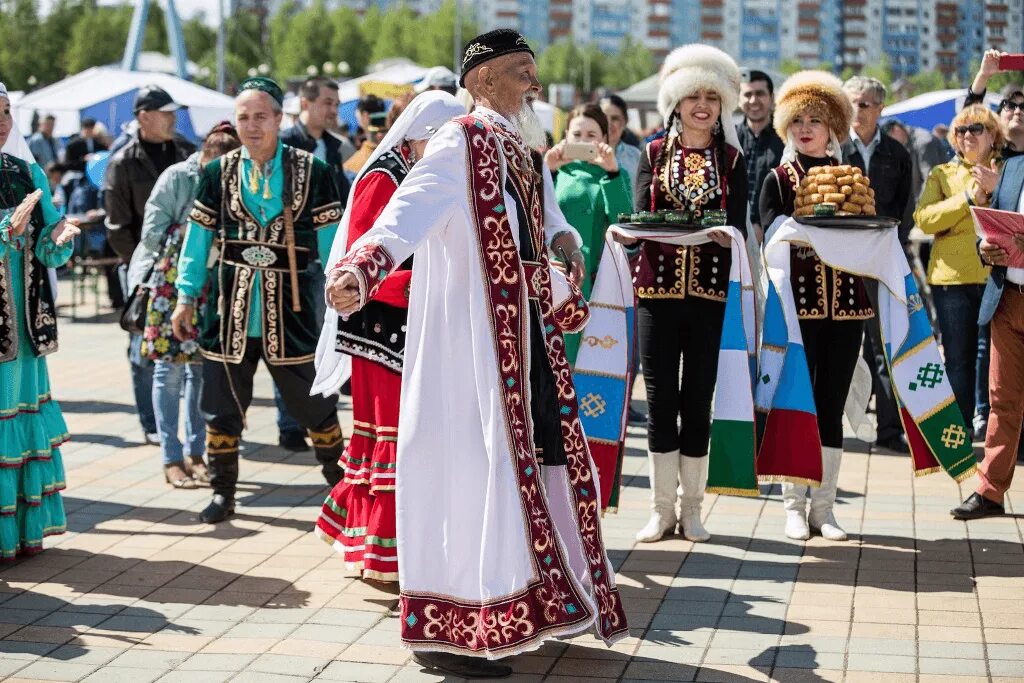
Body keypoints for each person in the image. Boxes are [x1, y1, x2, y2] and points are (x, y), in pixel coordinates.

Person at [324, 29, 627, 678]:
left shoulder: (518, 145)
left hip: (524, 344)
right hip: (471, 351)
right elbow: (405, 214)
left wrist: (567, 240)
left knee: (529, 469)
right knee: (464, 477)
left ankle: (515, 605)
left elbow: (544, 214)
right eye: (522, 72)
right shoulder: (459, 142)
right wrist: (362, 269)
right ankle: (450, 629)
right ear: (483, 80)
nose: (535, 85)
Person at [169, 77, 346, 524]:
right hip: (230, 311)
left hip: (294, 312)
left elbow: (332, 244)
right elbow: (197, 239)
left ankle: (344, 493)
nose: (251, 126)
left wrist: (343, 294)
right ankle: (223, 494)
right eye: (243, 117)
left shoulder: (314, 171)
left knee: (316, 406)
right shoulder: (216, 172)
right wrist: (185, 296)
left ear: (279, 119)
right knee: (222, 407)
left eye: (260, 116)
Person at [313, 91, 466, 583]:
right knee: (391, 437)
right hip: (380, 327)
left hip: (412, 322)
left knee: (408, 437)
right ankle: (383, 552)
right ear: (420, 138)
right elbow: (364, 257)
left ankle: (395, 548)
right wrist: (433, 283)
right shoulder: (385, 177)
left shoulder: (425, 173)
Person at [622, 44, 747, 545]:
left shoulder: (733, 159)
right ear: (675, 100)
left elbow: (737, 224)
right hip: (656, 289)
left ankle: (692, 510)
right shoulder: (652, 153)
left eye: (711, 98)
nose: (702, 106)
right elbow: (639, 214)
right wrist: (633, 232)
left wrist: (726, 235)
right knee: (659, 399)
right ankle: (660, 510)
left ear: (722, 106)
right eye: (693, 96)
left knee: (697, 399)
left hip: (710, 292)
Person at [759, 71, 867, 542]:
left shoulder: (853, 180)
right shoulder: (778, 179)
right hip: (796, 310)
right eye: (798, 119)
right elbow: (769, 237)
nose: (806, 127)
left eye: (816, 120)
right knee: (794, 404)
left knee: (830, 405)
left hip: (844, 307)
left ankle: (825, 508)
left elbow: (873, 237)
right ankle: (793, 507)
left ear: (834, 129)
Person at [133, 122, 242, 489]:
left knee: (202, 371)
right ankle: (171, 457)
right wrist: (193, 232)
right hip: (169, 285)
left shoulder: (242, 178)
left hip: (213, 285)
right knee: (168, 371)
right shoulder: (177, 178)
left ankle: (198, 452)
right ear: (203, 160)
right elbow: (149, 233)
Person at [0, 84, 81, 560]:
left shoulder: (25, 171)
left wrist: (61, 235)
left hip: (23, 327)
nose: (2, 122)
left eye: (7, 112)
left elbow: (47, 241)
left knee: (16, 418)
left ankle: (20, 533)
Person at [104, 85, 195, 446]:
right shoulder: (123, 162)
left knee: (188, 347)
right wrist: (146, 268)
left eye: (174, 112)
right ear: (143, 116)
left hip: (188, 268)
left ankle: (187, 431)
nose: (173, 118)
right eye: (165, 112)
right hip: (144, 270)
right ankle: (152, 424)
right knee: (143, 349)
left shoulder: (187, 152)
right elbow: (116, 226)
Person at [915, 106, 1001, 441]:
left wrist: (993, 190)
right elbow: (923, 220)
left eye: (976, 128)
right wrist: (966, 199)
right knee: (957, 356)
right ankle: (959, 426)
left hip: (995, 276)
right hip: (950, 279)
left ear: (993, 134)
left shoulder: (1006, 169)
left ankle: (986, 420)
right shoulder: (942, 173)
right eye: (961, 130)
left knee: (990, 356)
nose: (967, 135)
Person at [841, 76, 913, 455]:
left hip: (881, 262)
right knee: (837, 347)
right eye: (852, 102)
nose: (857, 110)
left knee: (885, 348)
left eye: (865, 104)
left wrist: (889, 251)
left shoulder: (898, 155)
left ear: (880, 109)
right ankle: (830, 426)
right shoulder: (833, 149)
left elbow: (906, 212)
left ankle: (889, 430)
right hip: (838, 263)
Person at [950, 153, 1024, 520]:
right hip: (1007, 300)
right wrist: (985, 249)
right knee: (1002, 400)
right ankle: (990, 492)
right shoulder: (1013, 167)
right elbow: (994, 228)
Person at [545, 103, 632, 363]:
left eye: (591, 136)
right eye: (576, 135)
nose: (583, 141)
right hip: (555, 274)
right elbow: (534, 217)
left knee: (595, 356)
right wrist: (546, 170)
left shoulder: (617, 174)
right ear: (565, 137)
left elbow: (623, 223)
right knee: (556, 356)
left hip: (598, 279)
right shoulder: (553, 173)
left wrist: (612, 172)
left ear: (605, 139)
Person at [738, 69, 785, 242]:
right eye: (747, 94)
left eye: (760, 94)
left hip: (775, 236)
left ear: (772, 98)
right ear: (738, 99)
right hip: (733, 236)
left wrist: (760, 223)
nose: (753, 100)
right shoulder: (729, 140)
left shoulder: (786, 140)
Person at [599, 94, 641, 187]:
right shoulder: (586, 155)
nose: (608, 124)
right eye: (603, 117)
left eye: (615, 118)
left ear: (625, 121)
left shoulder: (636, 156)